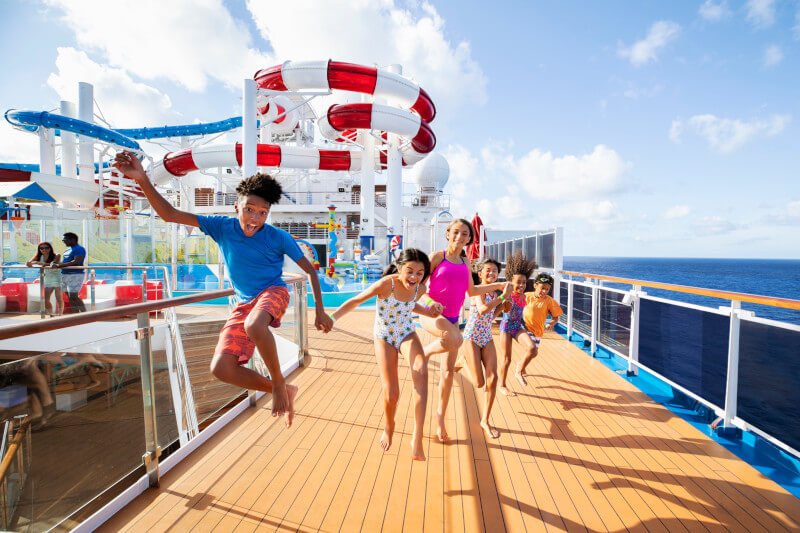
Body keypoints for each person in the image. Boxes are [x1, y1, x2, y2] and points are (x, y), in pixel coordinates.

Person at [113, 151, 333, 427]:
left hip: (273, 292)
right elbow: (169, 215)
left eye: (262, 213)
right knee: (221, 368)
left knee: (255, 325)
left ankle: (279, 383)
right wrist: (143, 179)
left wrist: (320, 312)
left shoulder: (278, 237)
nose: (255, 218)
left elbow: (311, 270)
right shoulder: (221, 227)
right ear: (236, 207)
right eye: (249, 210)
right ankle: (283, 389)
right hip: (244, 303)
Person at [329, 249, 441, 460]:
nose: (414, 277)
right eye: (409, 271)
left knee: (421, 369)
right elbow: (356, 300)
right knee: (392, 394)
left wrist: (431, 309)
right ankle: (389, 426)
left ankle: (417, 436)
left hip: (406, 332)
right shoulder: (386, 285)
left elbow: (412, 304)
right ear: (399, 268)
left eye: (419, 273)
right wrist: (332, 319)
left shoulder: (420, 288)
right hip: (384, 336)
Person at [419, 218, 508, 443]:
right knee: (455, 338)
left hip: (452, 318)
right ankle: (425, 353)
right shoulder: (437, 257)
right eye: (456, 232)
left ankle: (440, 421)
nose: (460, 237)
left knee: (447, 374)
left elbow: (471, 290)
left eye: (465, 234)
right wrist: (431, 305)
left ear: (470, 238)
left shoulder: (466, 262)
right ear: (448, 233)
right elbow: (419, 289)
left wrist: (497, 286)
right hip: (431, 314)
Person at [462, 258, 511, 439]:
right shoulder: (478, 290)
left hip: (486, 336)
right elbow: (482, 310)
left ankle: (485, 420)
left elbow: (489, 316)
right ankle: (462, 362)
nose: (491, 274)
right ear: (480, 273)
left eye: (495, 271)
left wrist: (502, 308)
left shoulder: (494, 293)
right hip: (472, 337)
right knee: (479, 383)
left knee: (493, 379)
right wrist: (502, 298)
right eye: (488, 270)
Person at [498, 252, 538, 395]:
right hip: (506, 327)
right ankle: (502, 385)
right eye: (518, 282)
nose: (521, 285)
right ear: (510, 281)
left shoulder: (524, 296)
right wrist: (506, 302)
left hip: (517, 326)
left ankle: (519, 370)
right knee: (506, 359)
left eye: (524, 282)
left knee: (533, 349)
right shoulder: (508, 294)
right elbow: (505, 306)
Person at [518, 272, 563, 385]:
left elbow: (556, 317)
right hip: (524, 328)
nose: (544, 291)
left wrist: (551, 324)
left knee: (534, 353)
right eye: (542, 288)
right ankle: (518, 370)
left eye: (547, 289)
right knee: (532, 350)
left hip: (538, 331)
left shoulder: (549, 301)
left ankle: (522, 367)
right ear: (535, 285)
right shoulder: (526, 296)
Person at [27, 241, 63, 316]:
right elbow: (29, 262)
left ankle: (60, 314)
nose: (44, 250)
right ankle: (51, 314)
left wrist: (41, 263)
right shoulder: (39, 256)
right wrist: (30, 263)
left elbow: (54, 263)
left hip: (57, 278)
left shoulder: (57, 255)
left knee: (58, 298)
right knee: (45, 299)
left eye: (46, 248)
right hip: (47, 278)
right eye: (41, 248)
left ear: (50, 248)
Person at [56, 232, 86, 313]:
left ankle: (85, 314)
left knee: (73, 296)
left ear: (72, 240)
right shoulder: (67, 249)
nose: (63, 241)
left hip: (75, 275)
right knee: (69, 297)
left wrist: (60, 265)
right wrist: (57, 264)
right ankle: (75, 314)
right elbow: (65, 261)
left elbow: (77, 261)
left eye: (65, 240)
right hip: (65, 275)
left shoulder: (79, 249)